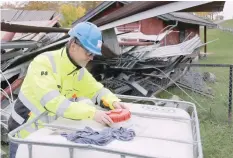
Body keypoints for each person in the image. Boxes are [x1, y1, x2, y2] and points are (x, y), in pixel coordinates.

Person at [8, 22, 128, 158]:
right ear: (73, 46)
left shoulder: (78, 71)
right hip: (24, 134)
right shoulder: (43, 64)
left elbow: (97, 90)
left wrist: (113, 102)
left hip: (47, 135)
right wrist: (92, 113)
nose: (91, 57)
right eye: (88, 52)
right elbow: (54, 103)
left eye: (93, 54)